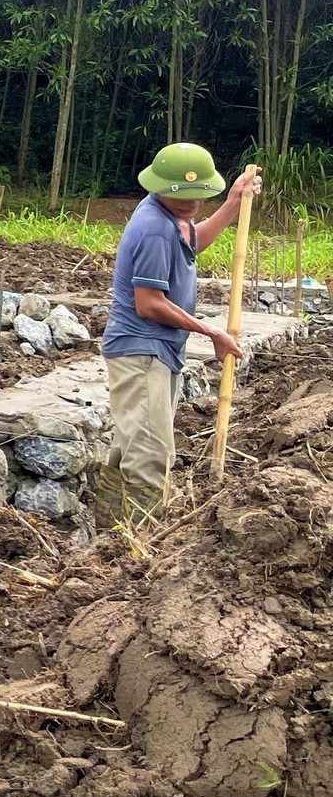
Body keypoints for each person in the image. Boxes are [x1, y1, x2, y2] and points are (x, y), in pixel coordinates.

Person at [99, 143, 257, 523]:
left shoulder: (169, 215)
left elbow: (192, 241)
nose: (191, 205)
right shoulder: (154, 228)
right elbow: (149, 304)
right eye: (182, 198)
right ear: (162, 188)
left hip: (154, 349)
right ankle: (139, 545)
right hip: (142, 350)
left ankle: (107, 538)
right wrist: (210, 331)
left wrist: (234, 203)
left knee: (131, 444)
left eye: (197, 198)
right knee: (150, 453)